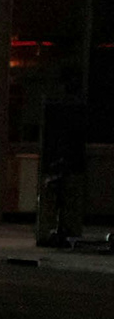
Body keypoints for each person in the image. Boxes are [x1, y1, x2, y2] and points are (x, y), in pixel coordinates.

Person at [39, 87, 91, 250]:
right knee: (62, 204)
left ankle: (59, 230)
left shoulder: (58, 146)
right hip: (64, 173)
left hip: (62, 173)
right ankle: (60, 229)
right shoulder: (69, 146)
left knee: (60, 204)